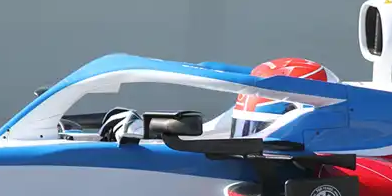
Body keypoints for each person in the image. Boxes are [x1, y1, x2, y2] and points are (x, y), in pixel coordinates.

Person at [96, 56, 339, 142]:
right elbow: (208, 134)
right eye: (248, 127)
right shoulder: (242, 117)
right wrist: (139, 129)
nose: (247, 135)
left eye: (257, 127)